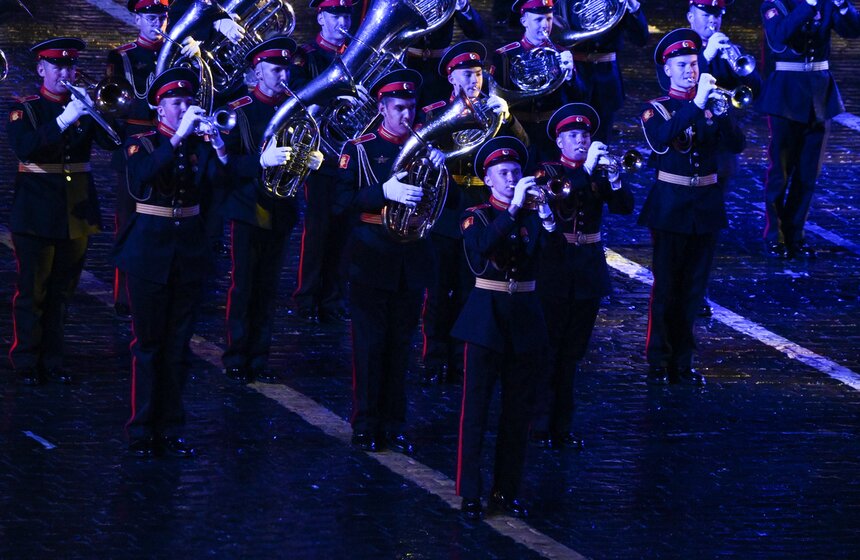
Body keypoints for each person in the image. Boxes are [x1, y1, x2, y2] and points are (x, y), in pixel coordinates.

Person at [112, 68, 227, 457]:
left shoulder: (201, 145)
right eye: (176, 103)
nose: (184, 109)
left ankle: (172, 426)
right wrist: (177, 139)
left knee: (179, 345)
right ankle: (142, 427)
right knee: (149, 344)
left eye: (187, 102)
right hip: (149, 251)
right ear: (159, 107)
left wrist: (220, 148)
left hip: (188, 252)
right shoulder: (140, 143)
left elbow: (221, 189)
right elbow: (141, 177)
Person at [337, 69, 444, 454]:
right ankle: (365, 423)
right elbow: (341, 203)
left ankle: (394, 423)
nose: (406, 115)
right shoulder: (361, 148)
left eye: (411, 108)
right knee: (369, 347)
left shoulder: (425, 150)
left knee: (401, 347)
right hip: (371, 258)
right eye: (398, 108)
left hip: (411, 260)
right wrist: (384, 191)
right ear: (382, 109)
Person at [452, 136, 557, 520]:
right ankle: (469, 491)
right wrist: (512, 211)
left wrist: (547, 220)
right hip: (486, 317)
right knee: (476, 409)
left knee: (517, 412)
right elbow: (480, 249)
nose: (512, 178)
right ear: (488, 179)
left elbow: (552, 261)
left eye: (516, 172)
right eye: (504, 173)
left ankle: (506, 489)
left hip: (525, 315)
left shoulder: (535, 212)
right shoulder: (476, 214)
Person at [6, 38, 118, 385]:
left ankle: (53, 360)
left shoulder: (81, 105)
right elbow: (26, 149)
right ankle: (26, 360)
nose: (65, 73)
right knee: (33, 292)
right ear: (42, 69)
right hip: (36, 212)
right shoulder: (25, 109)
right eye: (58, 66)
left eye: (70, 66)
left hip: (75, 214)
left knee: (62, 293)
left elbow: (113, 142)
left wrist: (94, 110)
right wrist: (64, 120)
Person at [639, 29, 745, 387]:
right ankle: (659, 358)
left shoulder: (710, 101)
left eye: (694, 64)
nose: (690, 71)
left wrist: (722, 113)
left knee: (694, 289)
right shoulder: (656, 109)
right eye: (682, 65)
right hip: (670, 206)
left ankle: (682, 361)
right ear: (667, 70)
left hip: (706, 206)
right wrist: (696, 105)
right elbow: (661, 139)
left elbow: (737, 144)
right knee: (666, 287)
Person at [418, 40, 526, 385]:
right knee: (438, 288)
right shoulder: (435, 112)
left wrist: (509, 119)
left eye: (478, 74)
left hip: (482, 207)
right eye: (467, 74)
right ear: (451, 78)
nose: (474, 81)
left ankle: (465, 357)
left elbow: (521, 151)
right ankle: (435, 357)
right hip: (447, 207)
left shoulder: (495, 111)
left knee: (472, 287)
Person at [221, 36, 323, 383]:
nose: (284, 76)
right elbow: (226, 165)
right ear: (258, 70)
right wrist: (259, 162)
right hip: (247, 207)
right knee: (244, 284)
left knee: (268, 288)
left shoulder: (297, 110)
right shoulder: (241, 109)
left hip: (281, 207)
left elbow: (302, 155)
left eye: (286, 69)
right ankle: (236, 354)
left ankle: (259, 357)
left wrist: (310, 160)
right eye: (276, 69)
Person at [531, 103, 633, 449]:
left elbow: (624, 207)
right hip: (555, 268)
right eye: (573, 136)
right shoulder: (547, 172)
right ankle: (540, 423)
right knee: (548, 349)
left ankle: (561, 425)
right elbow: (563, 193)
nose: (580, 141)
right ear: (559, 142)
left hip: (587, 269)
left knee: (573, 353)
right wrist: (588, 170)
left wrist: (616, 179)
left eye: (585, 135)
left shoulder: (597, 174)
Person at [106, 0, 199, 319]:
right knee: (129, 222)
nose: (155, 22)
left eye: (161, 17)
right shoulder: (123, 56)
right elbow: (117, 102)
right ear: (137, 18)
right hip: (139, 142)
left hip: (176, 140)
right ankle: (125, 295)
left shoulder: (178, 52)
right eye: (149, 16)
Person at [759, 0, 860, 258]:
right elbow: (779, 36)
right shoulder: (775, 4)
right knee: (780, 172)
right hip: (787, 94)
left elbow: (852, 30)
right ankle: (775, 236)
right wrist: (807, 5)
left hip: (819, 94)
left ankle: (795, 234)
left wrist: (843, 6)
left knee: (808, 175)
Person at [686, 0, 763, 316]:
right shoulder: (681, 49)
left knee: (709, 228)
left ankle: (698, 293)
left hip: (720, 150)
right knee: (681, 227)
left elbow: (755, 89)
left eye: (717, 15)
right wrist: (704, 57)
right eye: (706, 15)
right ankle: (678, 289)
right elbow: (677, 87)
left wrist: (740, 65)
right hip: (687, 148)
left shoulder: (727, 49)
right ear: (691, 16)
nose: (713, 21)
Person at [289, 0, 355, 324]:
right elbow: (299, 96)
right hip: (318, 152)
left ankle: (333, 298)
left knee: (344, 229)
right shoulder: (308, 57)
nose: (342, 20)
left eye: (345, 14)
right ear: (320, 17)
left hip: (348, 153)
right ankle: (307, 297)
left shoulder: (359, 56)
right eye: (335, 14)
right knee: (317, 229)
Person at [491, 0, 580, 166]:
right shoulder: (505, 55)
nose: (545, 25)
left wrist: (571, 76)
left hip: (552, 131)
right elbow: (497, 97)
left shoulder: (562, 53)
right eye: (538, 20)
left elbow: (579, 96)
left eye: (548, 18)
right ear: (524, 21)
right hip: (518, 128)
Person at [566, 0, 649, 143]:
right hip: (575, 75)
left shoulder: (617, 3)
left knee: (602, 140)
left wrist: (634, 7)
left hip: (606, 78)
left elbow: (641, 39)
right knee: (572, 134)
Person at [404, 0, 485, 108]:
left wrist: (463, 6)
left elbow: (477, 32)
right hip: (408, 65)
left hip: (440, 69)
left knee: (440, 112)